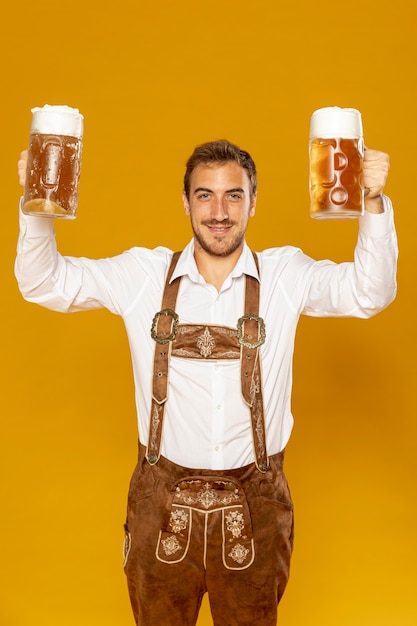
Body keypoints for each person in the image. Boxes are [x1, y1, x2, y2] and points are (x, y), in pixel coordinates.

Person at [15, 138, 398, 626]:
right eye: (205, 195)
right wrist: (36, 202)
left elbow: (371, 291)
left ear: (253, 202)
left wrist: (371, 202)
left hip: (256, 512)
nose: (219, 212)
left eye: (233, 195)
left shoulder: (287, 274)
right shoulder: (142, 275)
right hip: (160, 510)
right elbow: (43, 282)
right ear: (186, 202)